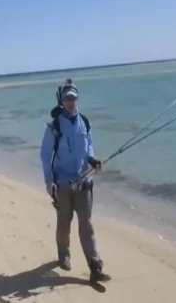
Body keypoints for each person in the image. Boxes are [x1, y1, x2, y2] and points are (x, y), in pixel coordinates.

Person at [40, 81, 110, 282]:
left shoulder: (85, 122)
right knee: (64, 222)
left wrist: (93, 161)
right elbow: (45, 155)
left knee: (86, 224)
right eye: (67, 98)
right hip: (62, 183)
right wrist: (48, 180)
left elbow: (88, 148)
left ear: (77, 99)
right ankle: (64, 254)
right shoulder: (54, 126)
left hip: (83, 182)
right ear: (62, 101)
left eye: (73, 98)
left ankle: (95, 265)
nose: (71, 102)